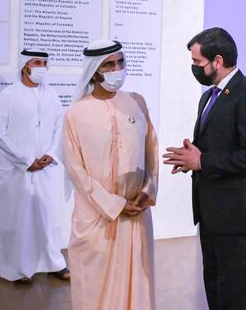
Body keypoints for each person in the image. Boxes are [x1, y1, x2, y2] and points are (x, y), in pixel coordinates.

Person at [163, 27, 246, 310]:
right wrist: (191, 160)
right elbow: (214, 148)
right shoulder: (209, 96)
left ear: (218, 61)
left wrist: (203, 162)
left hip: (236, 216)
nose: (194, 68)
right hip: (212, 212)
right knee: (216, 287)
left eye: (198, 63)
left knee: (235, 293)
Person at [62, 39, 159, 310]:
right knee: (95, 288)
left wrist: (148, 190)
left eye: (120, 62)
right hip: (97, 218)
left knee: (136, 284)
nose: (117, 69)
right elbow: (76, 171)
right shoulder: (76, 114)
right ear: (94, 71)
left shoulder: (136, 102)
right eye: (109, 64)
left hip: (136, 214)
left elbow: (151, 149)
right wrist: (115, 205)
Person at [0, 48, 70, 283]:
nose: (42, 67)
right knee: (18, 218)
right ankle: (19, 267)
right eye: (38, 62)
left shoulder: (52, 95)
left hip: (47, 168)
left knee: (49, 217)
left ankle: (54, 263)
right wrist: (26, 160)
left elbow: (59, 128)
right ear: (26, 66)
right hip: (17, 171)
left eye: (45, 62)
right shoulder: (7, 95)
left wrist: (49, 154)